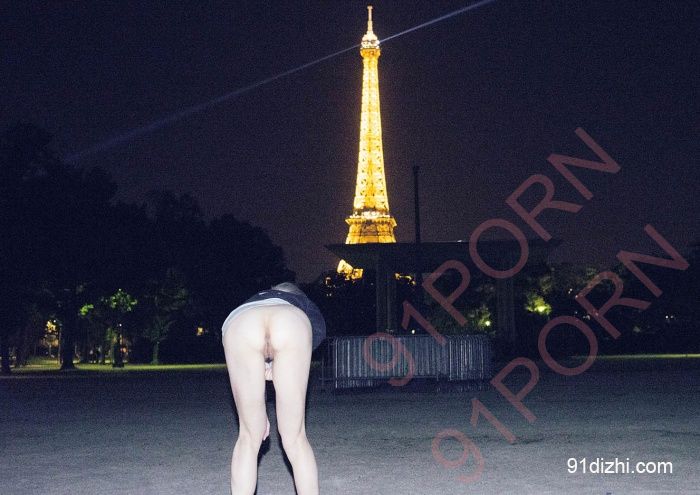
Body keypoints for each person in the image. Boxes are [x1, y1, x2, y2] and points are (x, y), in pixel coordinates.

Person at [222, 282, 326, 495]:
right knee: (296, 439)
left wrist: (257, 415)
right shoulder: (301, 305)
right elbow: (316, 334)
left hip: (242, 323)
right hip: (290, 323)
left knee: (248, 438)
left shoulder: (253, 301)